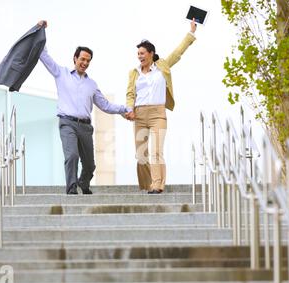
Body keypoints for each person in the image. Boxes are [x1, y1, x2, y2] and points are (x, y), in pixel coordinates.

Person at [37, 20, 135, 195]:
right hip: (67, 123)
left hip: (85, 127)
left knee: (90, 165)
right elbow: (43, 55)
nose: (84, 63)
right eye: (82, 59)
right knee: (72, 156)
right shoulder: (61, 73)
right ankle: (72, 189)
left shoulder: (92, 84)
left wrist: (125, 109)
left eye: (88, 60)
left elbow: (105, 105)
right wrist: (40, 31)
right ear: (75, 58)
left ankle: (83, 182)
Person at [126, 19, 197, 194]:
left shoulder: (162, 66)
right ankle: (147, 185)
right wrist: (129, 109)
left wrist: (191, 33)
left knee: (156, 151)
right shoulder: (134, 73)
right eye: (138, 54)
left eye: (142, 53)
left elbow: (178, 52)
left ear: (151, 53)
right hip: (140, 115)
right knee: (141, 155)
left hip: (158, 114)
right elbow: (130, 94)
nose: (140, 56)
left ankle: (157, 185)